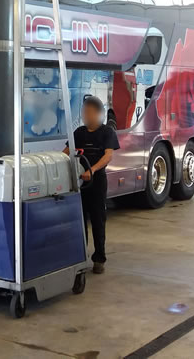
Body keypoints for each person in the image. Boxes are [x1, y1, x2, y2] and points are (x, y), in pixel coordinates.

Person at [63, 95, 119, 274]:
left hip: (96, 182)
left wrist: (92, 170)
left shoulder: (107, 132)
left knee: (97, 220)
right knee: (79, 220)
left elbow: (108, 155)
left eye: (88, 112)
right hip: (79, 183)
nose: (85, 115)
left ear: (98, 113)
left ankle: (99, 258)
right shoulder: (79, 133)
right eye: (83, 112)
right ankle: (80, 257)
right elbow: (65, 153)